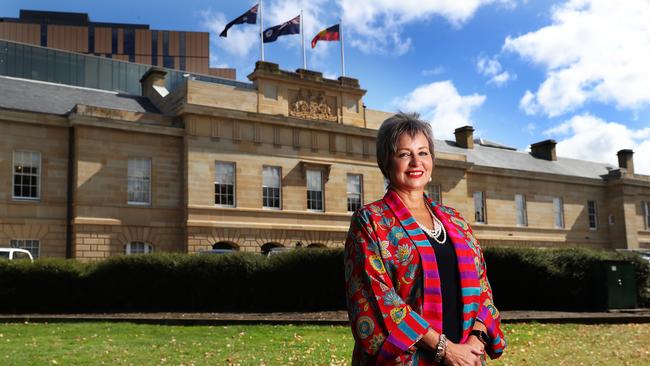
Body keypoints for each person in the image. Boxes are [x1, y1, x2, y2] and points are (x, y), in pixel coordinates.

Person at [344, 113, 506, 365]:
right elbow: (377, 300)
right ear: (387, 162)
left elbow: (483, 288)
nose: (415, 162)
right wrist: (445, 349)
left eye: (423, 153)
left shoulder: (456, 222)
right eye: (404, 154)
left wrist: (476, 340)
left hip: (467, 358)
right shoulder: (371, 221)